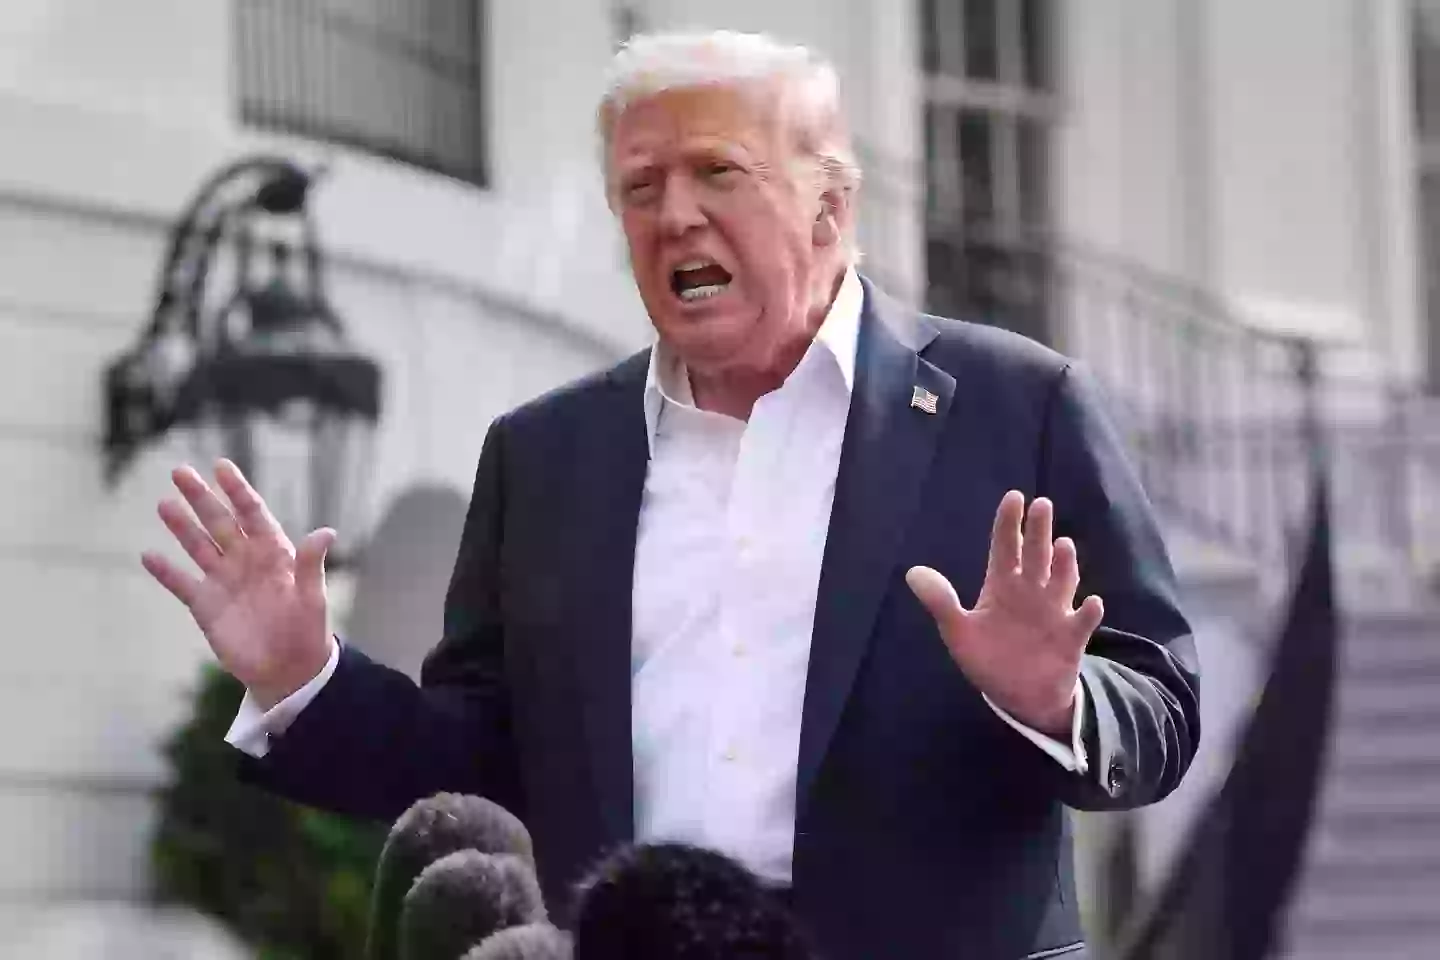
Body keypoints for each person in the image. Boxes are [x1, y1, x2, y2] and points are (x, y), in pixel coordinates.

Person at [143, 31, 1199, 960]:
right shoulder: (545, 456)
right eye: (640, 188)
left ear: (830, 207)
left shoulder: (1019, 407)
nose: (675, 215)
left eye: (717, 173)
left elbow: (1162, 705)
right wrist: (304, 679)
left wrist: (1058, 701)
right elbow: (481, 764)